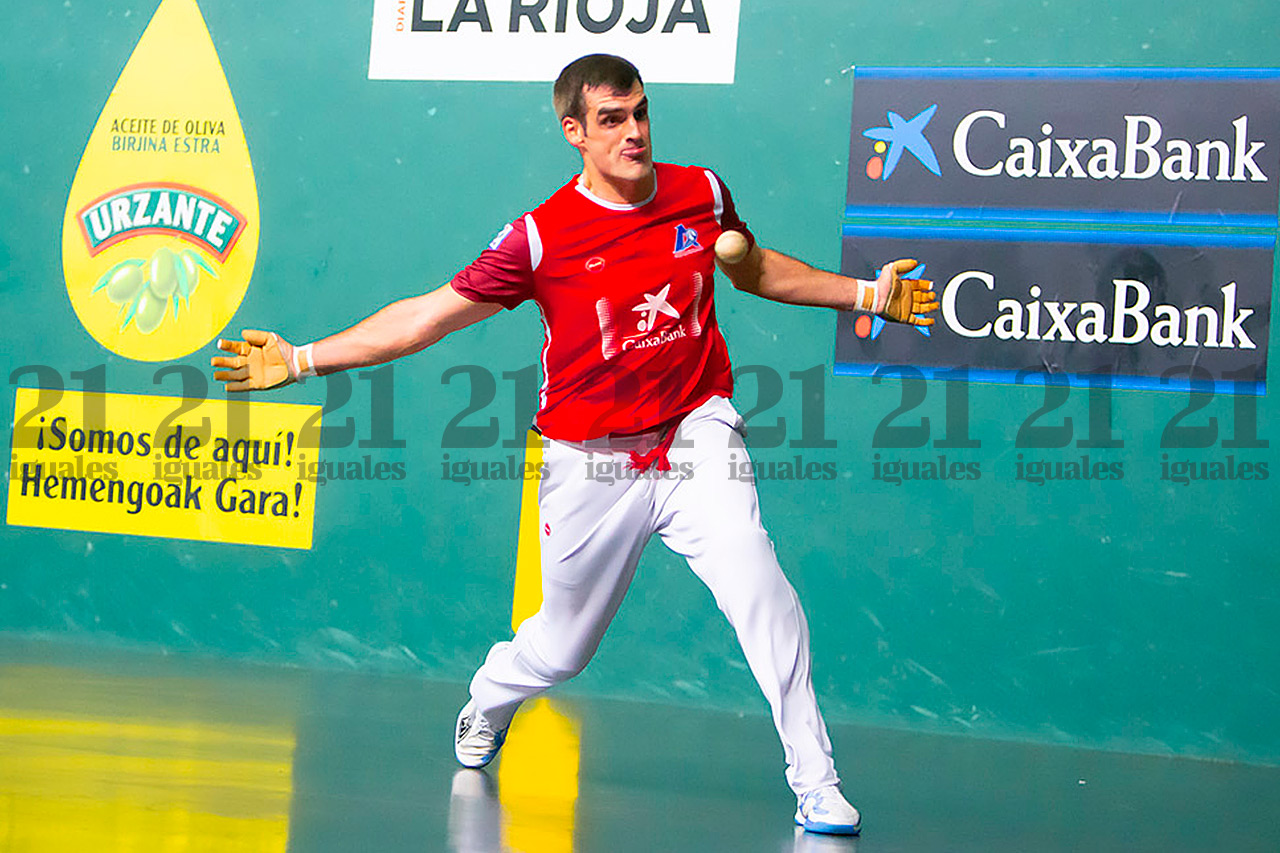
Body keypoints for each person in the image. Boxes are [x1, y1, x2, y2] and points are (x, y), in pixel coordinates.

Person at [211, 54, 937, 836]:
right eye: (612, 120)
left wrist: (870, 294)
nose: (635, 132)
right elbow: (425, 317)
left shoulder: (701, 192)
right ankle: (491, 694)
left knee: (763, 586)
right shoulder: (541, 238)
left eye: (642, 113)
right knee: (560, 652)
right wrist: (299, 358)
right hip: (592, 460)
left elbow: (753, 267)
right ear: (575, 132)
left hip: (695, 428)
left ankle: (816, 781)